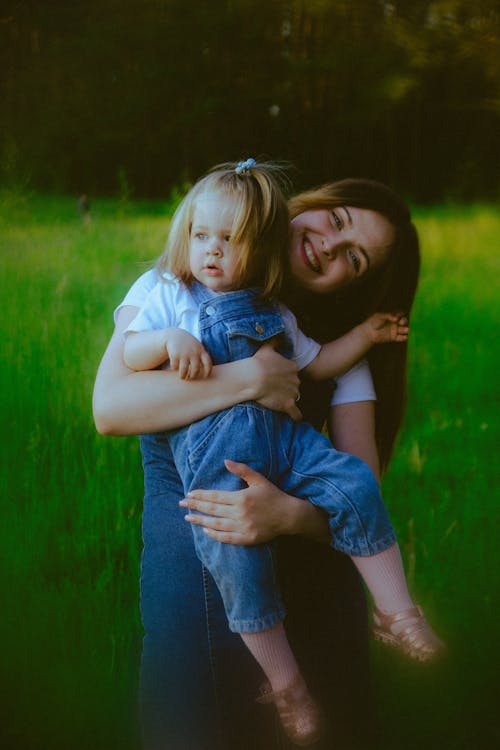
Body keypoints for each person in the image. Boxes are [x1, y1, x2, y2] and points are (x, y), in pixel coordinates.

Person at [93, 173, 425, 750]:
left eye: (354, 258)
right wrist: (250, 377)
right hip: (192, 570)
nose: (328, 245)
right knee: (193, 726)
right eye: (337, 221)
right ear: (312, 203)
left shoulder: (331, 354)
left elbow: (361, 495)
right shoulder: (172, 290)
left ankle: (391, 620)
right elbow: (110, 409)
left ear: (354, 287)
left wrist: (287, 516)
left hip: (311, 589)